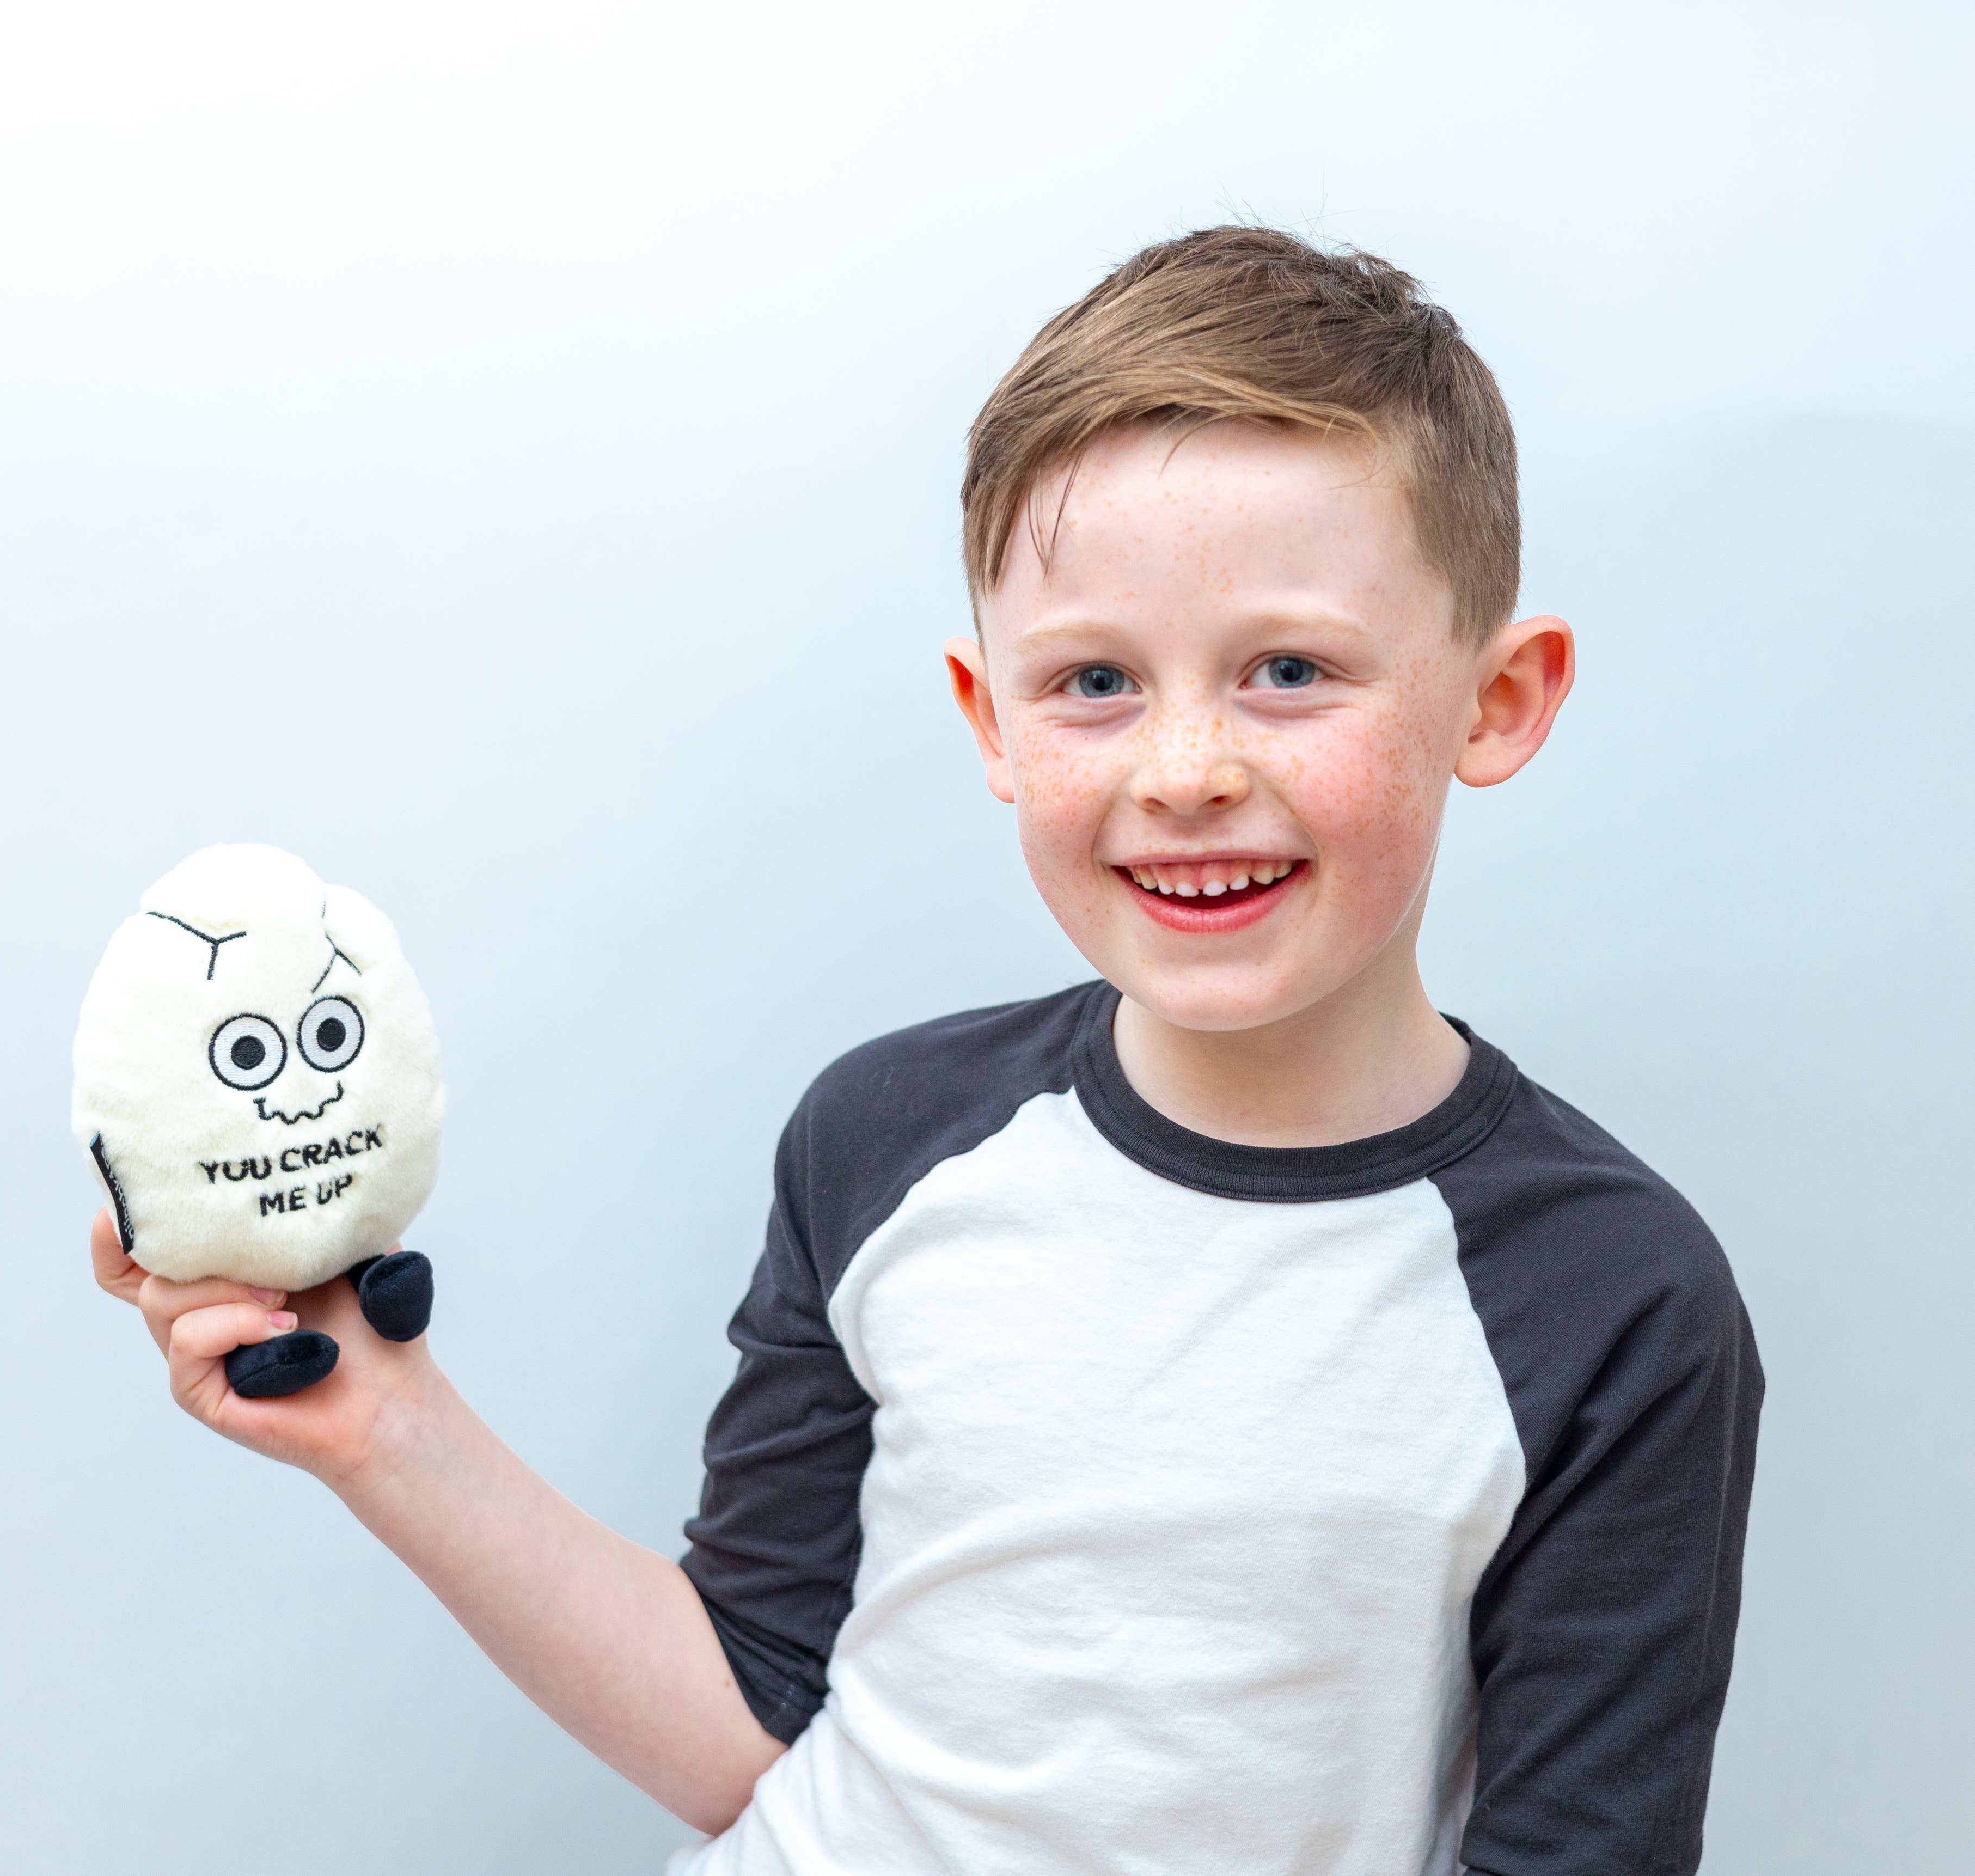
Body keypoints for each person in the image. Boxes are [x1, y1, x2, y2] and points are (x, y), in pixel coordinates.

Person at [91, 225, 1762, 1875]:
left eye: (1287, 671)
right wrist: (381, 1421)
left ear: (1497, 699)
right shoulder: (886, 1136)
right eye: (1094, 680)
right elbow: (746, 1728)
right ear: (988, 721)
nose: (1182, 768)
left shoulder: (1612, 1301)